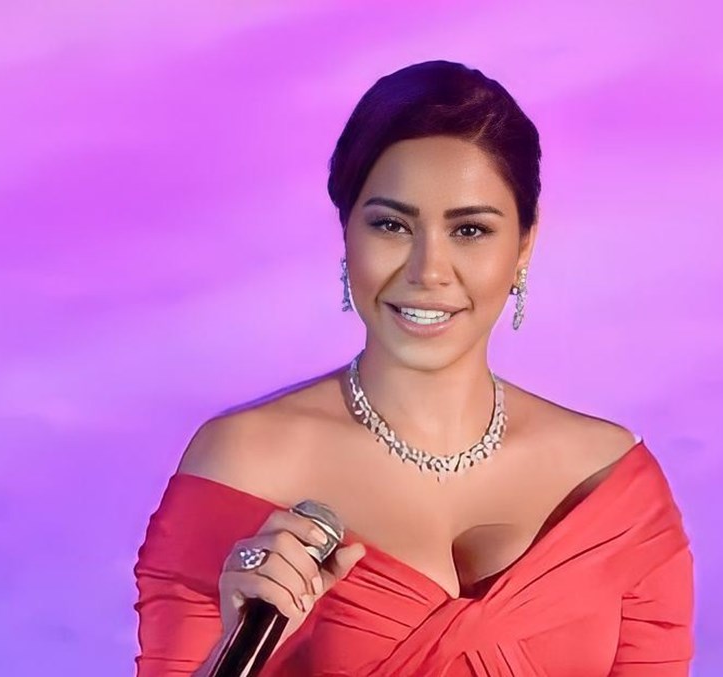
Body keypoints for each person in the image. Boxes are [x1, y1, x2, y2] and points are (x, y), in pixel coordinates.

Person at [134, 59, 693, 676]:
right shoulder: (243, 466)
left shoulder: (611, 488)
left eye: (470, 230)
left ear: (524, 244)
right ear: (347, 232)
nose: (428, 271)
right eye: (392, 225)